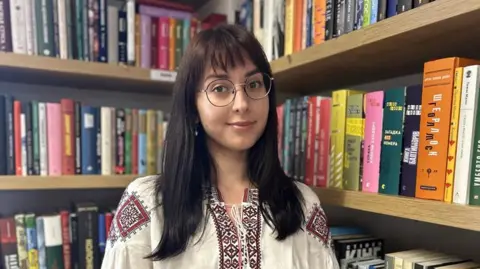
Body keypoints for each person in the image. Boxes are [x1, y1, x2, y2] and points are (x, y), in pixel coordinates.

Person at [101, 24, 340, 269]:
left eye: (254, 84)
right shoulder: (147, 203)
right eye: (220, 88)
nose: (242, 104)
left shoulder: (303, 205)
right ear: (193, 107)